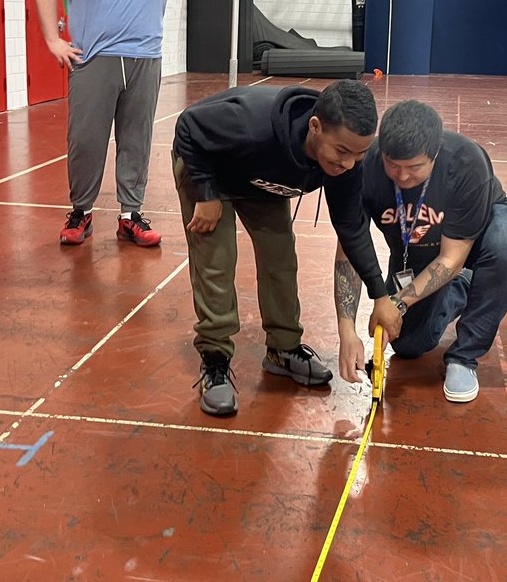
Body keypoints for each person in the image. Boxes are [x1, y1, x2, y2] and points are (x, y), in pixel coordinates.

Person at [33, 0, 253, 248]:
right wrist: (53, 40)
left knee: (136, 140)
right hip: (94, 59)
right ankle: (80, 211)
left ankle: (129, 215)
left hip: (144, 60)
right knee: (86, 140)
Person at [173, 80, 404, 417]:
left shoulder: (346, 164)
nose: (351, 164)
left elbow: (352, 228)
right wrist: (206, 195)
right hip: (209, 167)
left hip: (260, 182)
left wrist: (379, 295)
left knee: (280, 258)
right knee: (217, 261)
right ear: (315, 127)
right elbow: (188, 126)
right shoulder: (253, 124)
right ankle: (215, 359)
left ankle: (283, 349)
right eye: (342, 151)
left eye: (361, 154)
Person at [333, 99, 507, 403]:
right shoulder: (362, 166)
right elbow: (348, 250)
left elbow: (452, 256)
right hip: (413, 250)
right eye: (393, 165)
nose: (402, 177)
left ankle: (464, 357)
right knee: (409, 345)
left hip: (471, 240)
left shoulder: (466, 162)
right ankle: (460, 287)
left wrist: (396, 302)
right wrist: (346, 331)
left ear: (434, 156)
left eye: (414, 168)